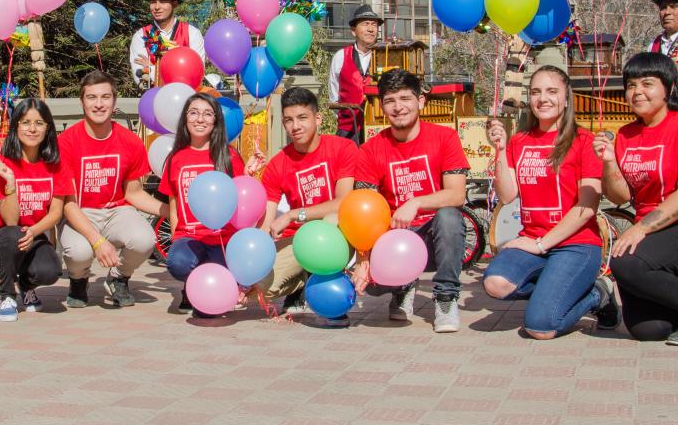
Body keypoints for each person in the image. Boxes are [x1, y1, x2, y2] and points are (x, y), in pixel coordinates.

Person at [593, 52, 678, 346]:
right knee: (649, 330)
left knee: (624, 262)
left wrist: (640, 228)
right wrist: (610, 162)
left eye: (647, 83)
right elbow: (621, 196)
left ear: (667, 87)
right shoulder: (626, 135)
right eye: (630, 85)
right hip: (654, 239)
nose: (637, 91)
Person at [482, 67, 620, 339]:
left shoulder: (584, 141)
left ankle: (597, 294)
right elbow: (508, 195)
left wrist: (541, 244)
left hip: (576, 245)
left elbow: (586, 208)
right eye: (535, 92)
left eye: (551, 91)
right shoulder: (520, 141)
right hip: (534, 242)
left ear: (566, 98)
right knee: (495, 284)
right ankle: (556, 287)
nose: (542, 99)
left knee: (541, 327)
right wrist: (499, 148)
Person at [353, 69, 469, 333]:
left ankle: (446, 298)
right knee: (372, 285)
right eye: (390, 100)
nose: (398, 107)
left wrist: (415, 202)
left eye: (405, 98)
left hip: (433, 235)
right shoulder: (371, 149)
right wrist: (364, 260)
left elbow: (457, 194)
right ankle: (401, 285)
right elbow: (365, 209)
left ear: (421, 101)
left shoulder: (445, 138)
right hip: (394, 237)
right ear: (382, 106)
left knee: (449, 216)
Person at [57, 70, 165, 308]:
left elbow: (133, 193)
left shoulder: (130, 142)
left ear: (114, 102)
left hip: (117, 210)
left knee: (145, 239)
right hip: (79, 211)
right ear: (82, 101)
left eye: (105, 97)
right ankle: (78, 279)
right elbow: (68, 203)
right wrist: (98, 242)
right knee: (78, 252)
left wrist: (169, 210)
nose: (98, 104)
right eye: (91, 97)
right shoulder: (66, 142)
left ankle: (118, 278)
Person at [160, 93, 261, 314]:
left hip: (222, 238)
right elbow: (174, 201)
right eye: (193, 113)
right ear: (185, 119)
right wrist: (177, 236)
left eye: (208, 114)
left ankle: (205, 282)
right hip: (190, 237)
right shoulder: (176, 158)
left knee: (224, 287)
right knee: (178, 263)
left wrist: (248, 175)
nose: (200, 119)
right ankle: (191, 283)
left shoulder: (228, 155)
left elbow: (241, 200)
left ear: (216, 121)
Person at [260, 87, 358, 317]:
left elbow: (343, 202)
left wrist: (293, 214)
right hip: (299, 241)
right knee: (264, 286)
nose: (295, 126)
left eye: (302, 118)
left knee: (331, 219)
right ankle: (303, 282)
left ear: (318, 118)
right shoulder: (277, 164)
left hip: (337, 233)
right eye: (289, 120)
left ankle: (329, 284)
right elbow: (266, 220)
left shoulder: (342, 148)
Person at [0, 99, 66, 322]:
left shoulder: (56, 165)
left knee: (50, 270)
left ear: (48, 128)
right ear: (16, 126)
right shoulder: (2, 163)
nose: (32, 129)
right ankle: (7, 295)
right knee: (14, 233)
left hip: (32, 235)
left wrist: (34, 232)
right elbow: (10, 220)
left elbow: (56, 212)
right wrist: (10, 185)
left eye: (39, 123)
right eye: (26, 122)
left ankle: (26, 286)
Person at [129, 0, 205, 91]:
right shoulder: (140, 36)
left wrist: (152, 68)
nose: (157, 7)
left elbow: (196, 73)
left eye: (163, 1)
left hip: (186, 103)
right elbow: (141, 78)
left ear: (174, 4)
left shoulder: (192, 33)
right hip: (153, 103)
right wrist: (179, 71)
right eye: (153, 2)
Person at [328, 5, 383, 143]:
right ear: (353, 31)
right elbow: (334, 93)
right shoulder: (341, 56)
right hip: (347, 130)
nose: (371, 29)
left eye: (374, 25)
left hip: (378, 127)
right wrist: (344, 118)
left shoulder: (385, 56)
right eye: (366, 24)